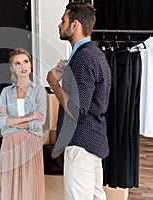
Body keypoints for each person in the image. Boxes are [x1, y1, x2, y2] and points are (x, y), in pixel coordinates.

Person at [46, 2, 111, 200]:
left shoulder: (83, 59)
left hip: (81, 143)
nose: (59, 25)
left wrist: (53, 83)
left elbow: (77, 109)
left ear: (74, 25)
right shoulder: (95, 55)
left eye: (63, 20)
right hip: (94, 140)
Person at [0, 48, 47, 200]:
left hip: (31, 143)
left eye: (25, 61)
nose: (23, 66)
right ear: (12, 68)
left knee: (30, 187)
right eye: (17, 63)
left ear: (30, 65)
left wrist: (11, 122)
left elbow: (38, 124)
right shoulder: (6, 92)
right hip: (9, 145)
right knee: (10, 187)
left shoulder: (39, 91)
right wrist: (28, 117)